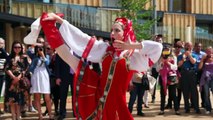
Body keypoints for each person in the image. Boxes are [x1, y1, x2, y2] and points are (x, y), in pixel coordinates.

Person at [24, 12, 162, 120]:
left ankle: (50, 27)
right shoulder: (105, 49)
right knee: (69, 58)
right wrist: (61, 21)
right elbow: (82, 38)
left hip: (117, 105)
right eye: (112, 30)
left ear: (125, 32)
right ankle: (49, 27)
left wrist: (130, 45)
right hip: (99, 96)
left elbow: (158, 47)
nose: (112, 33)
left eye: (117, 30)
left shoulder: (132, 56)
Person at [5, 41, 28, 120]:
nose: (17, 49)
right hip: (11, 81)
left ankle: (18, 117)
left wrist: (18, 77)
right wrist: (13, 77)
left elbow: (25, 69)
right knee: (12, 101)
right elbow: (7, 68)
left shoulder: (24, 57)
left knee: (18, 101)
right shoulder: (9, 57)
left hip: (20, 82)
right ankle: (13, 117)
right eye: (15, 47)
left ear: (21, 48)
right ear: (12, 48)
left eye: (19, 47)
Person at [29, 45, 53, 120]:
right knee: (37, 97)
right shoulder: (34, 56)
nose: (40, 49)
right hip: (36, 76)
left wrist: (42, 55)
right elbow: (28, 51)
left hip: (44, 76)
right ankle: (40, 115)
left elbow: (47, 63)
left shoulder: (47, 56)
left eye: (42, 48)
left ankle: (50, 115)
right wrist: (32, 45)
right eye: (38, 48)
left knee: (47, 97)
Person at [157, 43, 180, 115]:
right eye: (165, 49)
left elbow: (175, 68)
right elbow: (157, 69)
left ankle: (176, 110)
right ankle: (162, 110)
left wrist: (168, 63)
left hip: (172, 77)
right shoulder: (160, 57)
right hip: (163, 77)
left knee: (173, 94)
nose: (166, 51)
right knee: (162, 94)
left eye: (168, 49)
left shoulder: (174, 57)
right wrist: (161, 64)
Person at [177, 42, 200, 114]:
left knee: (194, 91)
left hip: (192, 73)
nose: (188, 47)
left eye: (189, 46)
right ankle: (187, 108)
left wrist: (189, 55)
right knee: (185, 91)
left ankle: (196, 108)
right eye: (187, 46)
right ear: (185, 47)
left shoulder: (194, 55)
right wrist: (184, 57)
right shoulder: (180, 56)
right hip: (184, 74)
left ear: (192, 47)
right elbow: (179, 65)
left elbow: (193, 62)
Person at [198, 46, 213, 114]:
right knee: (206, 94)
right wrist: (202, 60)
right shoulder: (203, 58)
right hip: (205, 78)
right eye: (207, 51)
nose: (208, 52)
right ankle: (208, 108)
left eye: (210, 50)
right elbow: (200, 68)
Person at [0, 38, 8, 114]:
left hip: (2, 75)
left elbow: (8, 60)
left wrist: (2, 50)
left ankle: (3, 108)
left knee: (2, 92)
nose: (0, 45)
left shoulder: (6, 53)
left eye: (2, 43)